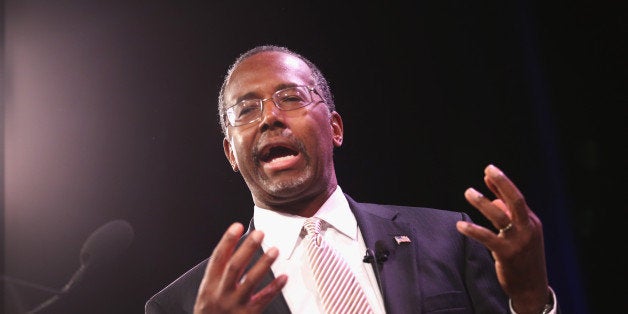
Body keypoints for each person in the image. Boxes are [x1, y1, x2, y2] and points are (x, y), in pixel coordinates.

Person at [145, 45, 558, 314]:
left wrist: (529, 298)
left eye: (291, 98)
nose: (271, 117)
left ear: (336, 128)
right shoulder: (184, 305)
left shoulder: (448, 239)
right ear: (231, 153)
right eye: (246, 110)